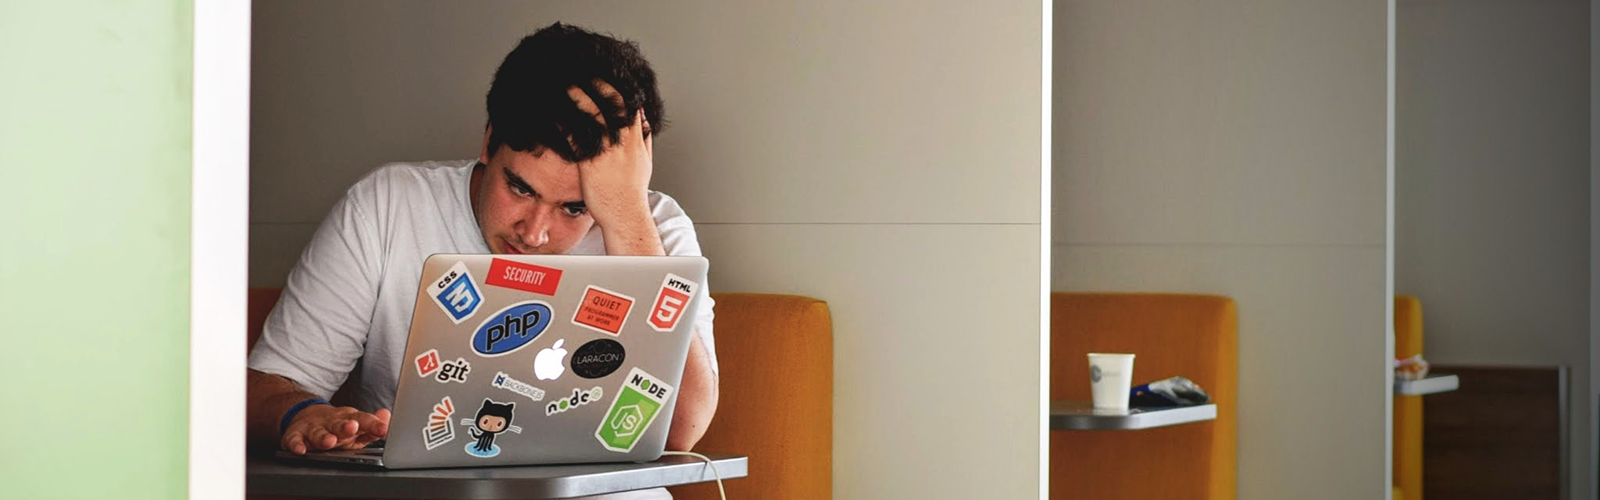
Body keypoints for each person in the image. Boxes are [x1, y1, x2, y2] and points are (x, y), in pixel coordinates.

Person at [245, 22, 719, 499]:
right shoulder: (388, 206)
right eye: (520, 187)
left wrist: (626, 217)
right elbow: (263, 387)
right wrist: (302, 414)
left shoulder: (653, 228)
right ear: (489, 141)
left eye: (576, 208)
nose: (534, 233)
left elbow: (683, 431)